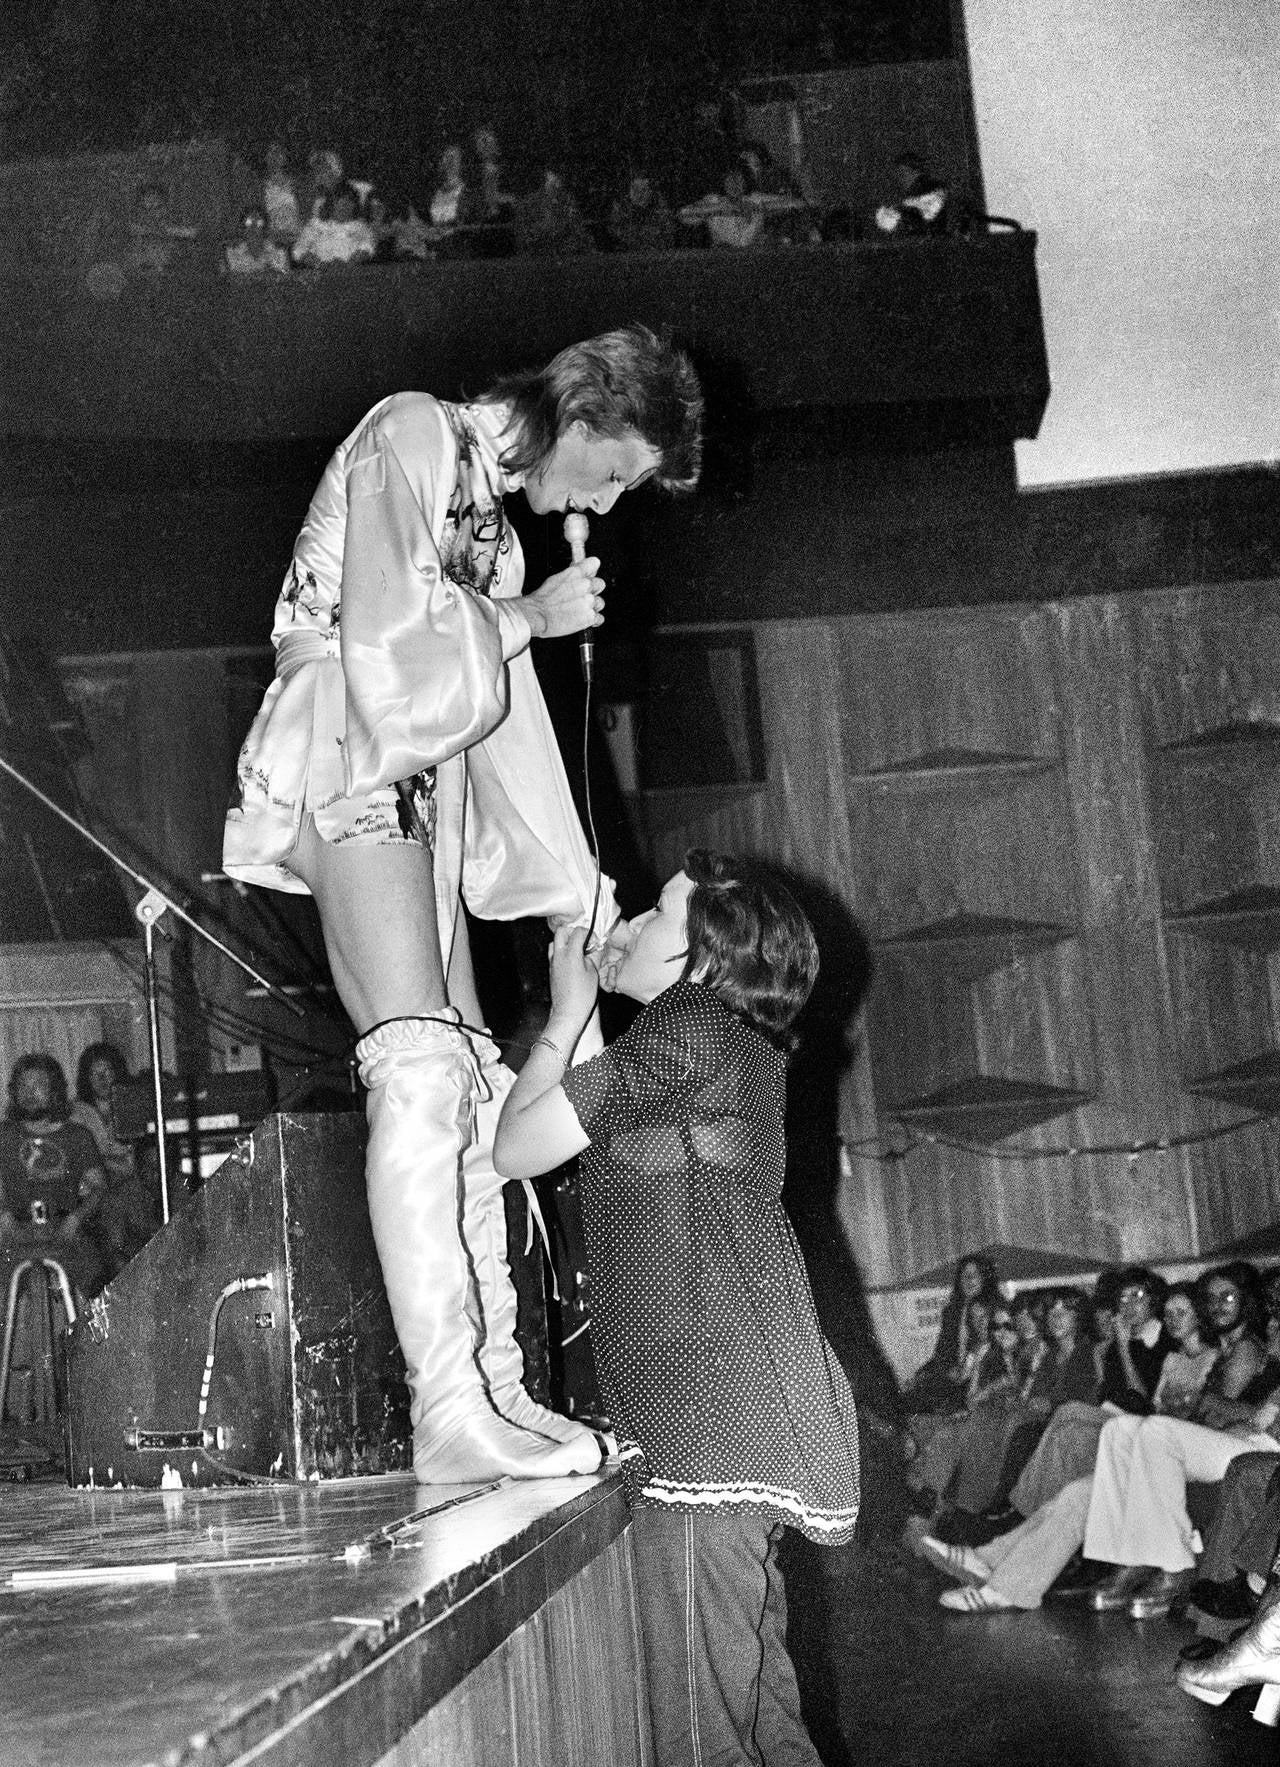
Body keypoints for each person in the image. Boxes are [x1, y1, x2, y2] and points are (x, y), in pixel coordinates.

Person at [222, 324, 703, 1485]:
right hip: (351, 737)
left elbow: (499, 720)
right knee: (422, 1071)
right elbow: (390, 647)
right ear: (582, 420)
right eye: (618, 474)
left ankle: (489, 1385)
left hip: (416, 773)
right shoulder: (413, 429)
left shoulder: (488, 516)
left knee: (472, 1078)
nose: (610, 501)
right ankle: (446, 1405)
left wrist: (566, 884)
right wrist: (531, 618)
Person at [493, 850, 861, 1767]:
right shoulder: (717, 1044)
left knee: (699, 1736)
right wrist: (590, 980)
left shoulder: (692, 1027)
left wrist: (571, 1003)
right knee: (762, 1713)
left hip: (707, 1425)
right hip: (735, 1421)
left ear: (706, 951)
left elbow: (518, 1144)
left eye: (654, 915)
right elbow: (596, 1109)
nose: (630, 931)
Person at [0, 1053, 106, 1302]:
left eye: (39, 1085)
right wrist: (3, 1218)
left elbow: (99, 1187)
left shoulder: (77, 1136)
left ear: (55, 1091)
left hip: (63, 1230)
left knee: (97, 1287)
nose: (30, 1093)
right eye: (24, 1086)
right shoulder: (4, 1135)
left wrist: (75, 1220)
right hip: (13, 1231)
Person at [72, 1040, 155, 1274]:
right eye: (95, 1074)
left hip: (133, 1190)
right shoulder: (77, 1113)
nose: (102, 1079)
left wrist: (109, 1161)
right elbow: (85, 1163)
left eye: (108, 1071)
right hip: (94, 1197)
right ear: (86, 1078)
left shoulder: (134, 1105)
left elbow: (136, 1160)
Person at [290, 183, 376, 267]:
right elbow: (298, 250)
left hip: (351, 274)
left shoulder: (361, 227)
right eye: (339, 201)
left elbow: (368, 247)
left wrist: (351, 262)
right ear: (331, 203)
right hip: (320, 274)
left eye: (349, 202)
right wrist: (316, 263)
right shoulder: (315, 225)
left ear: (355, 206)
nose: (344, 206)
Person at [874, 151, 950, 238]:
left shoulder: (923, 189)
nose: (898, 178)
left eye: (901, 173)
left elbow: (920, 220)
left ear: (912, 171)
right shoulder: (921, 188)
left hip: (931, 242)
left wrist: (897, 213)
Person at [607, 173, 675, 253]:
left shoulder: (660, 208)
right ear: (629, 191)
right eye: (635, 190)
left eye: (644, 190)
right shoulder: (621, 207)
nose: (639, 194)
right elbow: (616, 235)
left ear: (651, 191)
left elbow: (666, 236)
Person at [222, 205, 290, 276]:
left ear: (265, 228)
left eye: (259, 223)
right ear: (242, 228)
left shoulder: (278, 252)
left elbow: (285, 277)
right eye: (249, 222)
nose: (253, 227)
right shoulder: (232, 253)